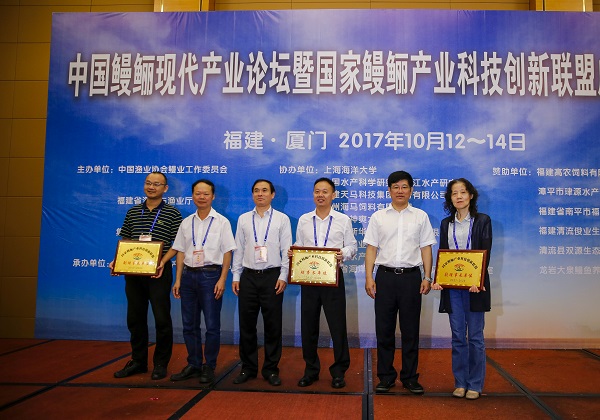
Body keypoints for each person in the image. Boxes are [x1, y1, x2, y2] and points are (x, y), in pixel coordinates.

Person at [364, 170, 436, 394]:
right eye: (395, 187)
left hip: (411, 278)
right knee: (384, 330)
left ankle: (410, 377)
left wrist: (427, 276)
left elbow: (426, 248)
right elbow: (371, 249)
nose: (400, 191)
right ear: (389, 190)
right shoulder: (378, 217)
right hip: (384, 277)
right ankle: (385, 377)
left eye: (404, 187)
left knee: (410, 330)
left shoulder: (420, 217)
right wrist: (369, 277)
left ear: (411, 190)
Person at [111, 172, 182, 381]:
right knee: (135, 318)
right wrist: (118, 260)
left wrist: (162, 262)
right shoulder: (133, 211)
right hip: (134, 272)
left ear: (165, 188)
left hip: (159, 272)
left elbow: (178, 244)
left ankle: (161, 363)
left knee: (162, 318)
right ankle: (138, 361)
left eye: (157, 184)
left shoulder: (172, 213)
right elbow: (126, 239)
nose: (152, 187)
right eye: (148, 183)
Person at [163, 179, 236, 384]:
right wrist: (178, 279)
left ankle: (209, 366)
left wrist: (222, 279)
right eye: (197, 193)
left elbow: (227, 252)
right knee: (189, 324)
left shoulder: (222, 222)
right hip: (188, 276)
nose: (201, 197)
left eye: (206, 194)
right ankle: (193, 364)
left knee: (212, 325)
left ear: (213, 196)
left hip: (210, 276)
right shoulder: (186, 222)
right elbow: (180, 250)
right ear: (192, 196)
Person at [292, 177, 357, 389]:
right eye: (317, 191)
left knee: (338, 327)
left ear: (333, 195)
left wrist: (342, 253)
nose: (320, 195)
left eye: (325, 191)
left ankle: (339, 372)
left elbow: (352, 246)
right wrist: (294, 252)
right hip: (309, 280)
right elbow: (299, 244)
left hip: (333, 279)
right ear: (313, 194)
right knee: (308, 326)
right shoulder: (304, 220)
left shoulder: (343, 220)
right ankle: (310, 370)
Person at [431, 178, 492, 400]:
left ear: (471, 196)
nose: (459, 196)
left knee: (475, 337)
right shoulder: (446, 223)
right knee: (457, 336)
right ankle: (460, 382)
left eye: (463, 192)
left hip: (475, 287)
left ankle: (475, 384)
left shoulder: (483, 220)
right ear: (450, 198)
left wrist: (478, 279)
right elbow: (444, 253)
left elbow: (485, 252)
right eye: (454, 193)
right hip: (453, 287)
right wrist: (439, 279)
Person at [231, 179, 292, 386]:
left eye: (265, 190)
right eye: (256, 190)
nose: (260, 194)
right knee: (246, 325)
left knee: (273, 326)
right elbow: (238, 249)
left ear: (272, 195)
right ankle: (248, 368)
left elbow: (287, 250)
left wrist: (283, 276)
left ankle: (271, 369)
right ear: (252, 195)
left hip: (272, 277)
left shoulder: (282, 219)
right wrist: (236, 276)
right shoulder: (243, 219)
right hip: (248, 277)